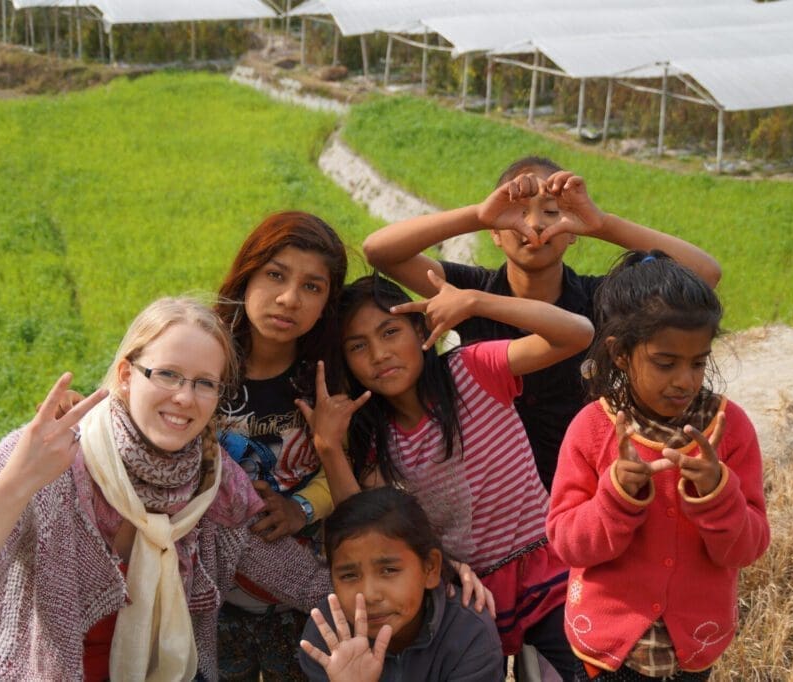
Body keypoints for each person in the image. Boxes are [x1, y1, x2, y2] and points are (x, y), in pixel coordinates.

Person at [0, 297, 330, 682]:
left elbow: (296, 575)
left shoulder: (214, 486)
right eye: (167, 374)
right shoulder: (48, 463)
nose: (184, 397)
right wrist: (16, 484)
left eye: (204, 383)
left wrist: (384, 605)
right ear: (126, 375)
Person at [362, 156, 722, 491]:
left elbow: (704, 274)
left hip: (585, 485)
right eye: (515, 213)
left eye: (551, 213)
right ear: (495, 232)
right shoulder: (468, 288)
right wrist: (479, 214)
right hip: (495, 499)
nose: (533, 224)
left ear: (572, 232)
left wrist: (600, 223)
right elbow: (380, 251)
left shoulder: (600, 299)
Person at [300, 272, 594, 680]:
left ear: (423, 328)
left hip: (546, 573)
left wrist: (476, 302)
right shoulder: (375, 436)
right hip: (468, 592)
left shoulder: (472, 369)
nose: (379, 354)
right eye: (358, 346)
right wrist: (329, 447)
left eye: (390, 333)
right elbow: (366, 524)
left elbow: (577, 333)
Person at [546, 251, 770, 680]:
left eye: (698, 362)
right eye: (665, 363)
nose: (685, 380)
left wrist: (718, 493)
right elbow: (568, 544)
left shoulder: (729, 429)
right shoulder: (593, 429)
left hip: (692, 655)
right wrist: (615, 497)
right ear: (621, 354)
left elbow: (748, 548)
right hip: (605, 655)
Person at [213, 211, 349, 681]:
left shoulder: (327, 379)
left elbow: (351, 467)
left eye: (313, 287)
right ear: (246, 274)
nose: (289, 299)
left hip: (302, 597)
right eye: (275, 275)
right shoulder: (202, 360)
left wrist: (301, 510)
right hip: (207, 597)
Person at [298, 487, 504, 681]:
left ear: (430, 569)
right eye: (349, 576)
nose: (370, 595)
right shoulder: (325, 638)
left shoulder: (468, 632)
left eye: (389, 570)